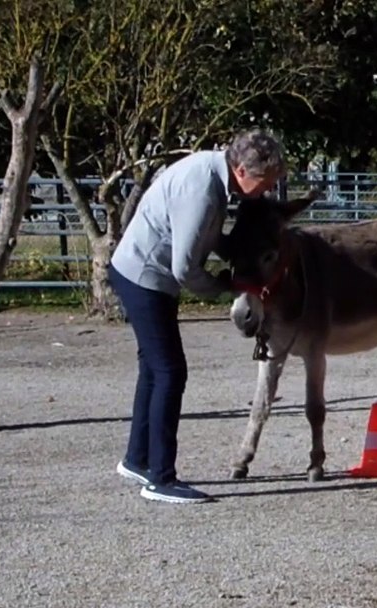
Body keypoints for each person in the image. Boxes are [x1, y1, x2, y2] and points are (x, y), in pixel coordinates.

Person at [107, 129, 286, 504]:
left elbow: (204, 234)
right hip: (145, 276)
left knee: (154, 368)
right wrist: (222, 287)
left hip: (142, 272)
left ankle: (137, 459)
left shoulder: (213, 174)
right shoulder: (202, 189)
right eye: (264, 181)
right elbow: (184, 268)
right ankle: (160, 479)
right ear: (241, 169)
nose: (265, 190)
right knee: (171, 371)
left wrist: (233, 248)